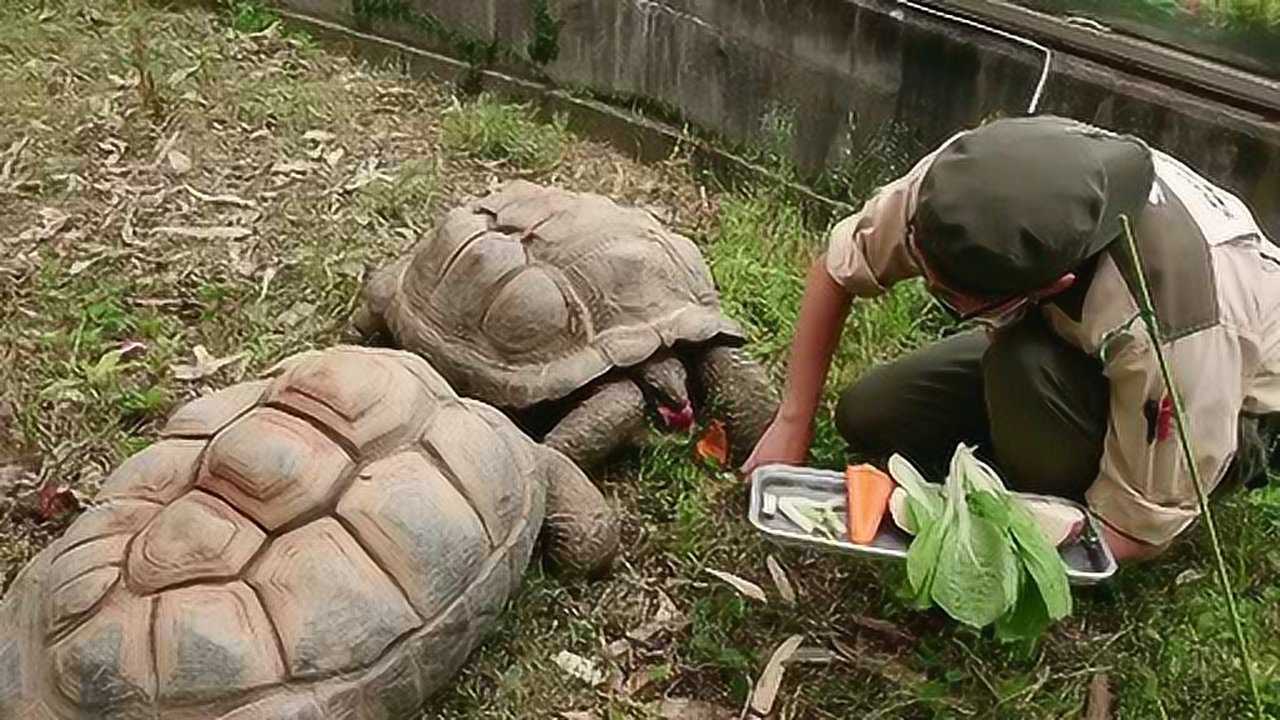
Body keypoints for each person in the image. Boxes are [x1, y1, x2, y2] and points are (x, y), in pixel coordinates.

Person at [742, 115, 1280, 563]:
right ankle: (1025, 416)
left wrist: (975, 543)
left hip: (1223, 405)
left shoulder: (1176, 328)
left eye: (954, 301)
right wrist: (793, 420)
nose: (935, 291)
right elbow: (837, 269)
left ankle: (1046, 461)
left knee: (1021, 367)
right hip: (1055, 337)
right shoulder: (962, 186)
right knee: (868, 414)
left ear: (1052, 285)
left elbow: (1135, 531)